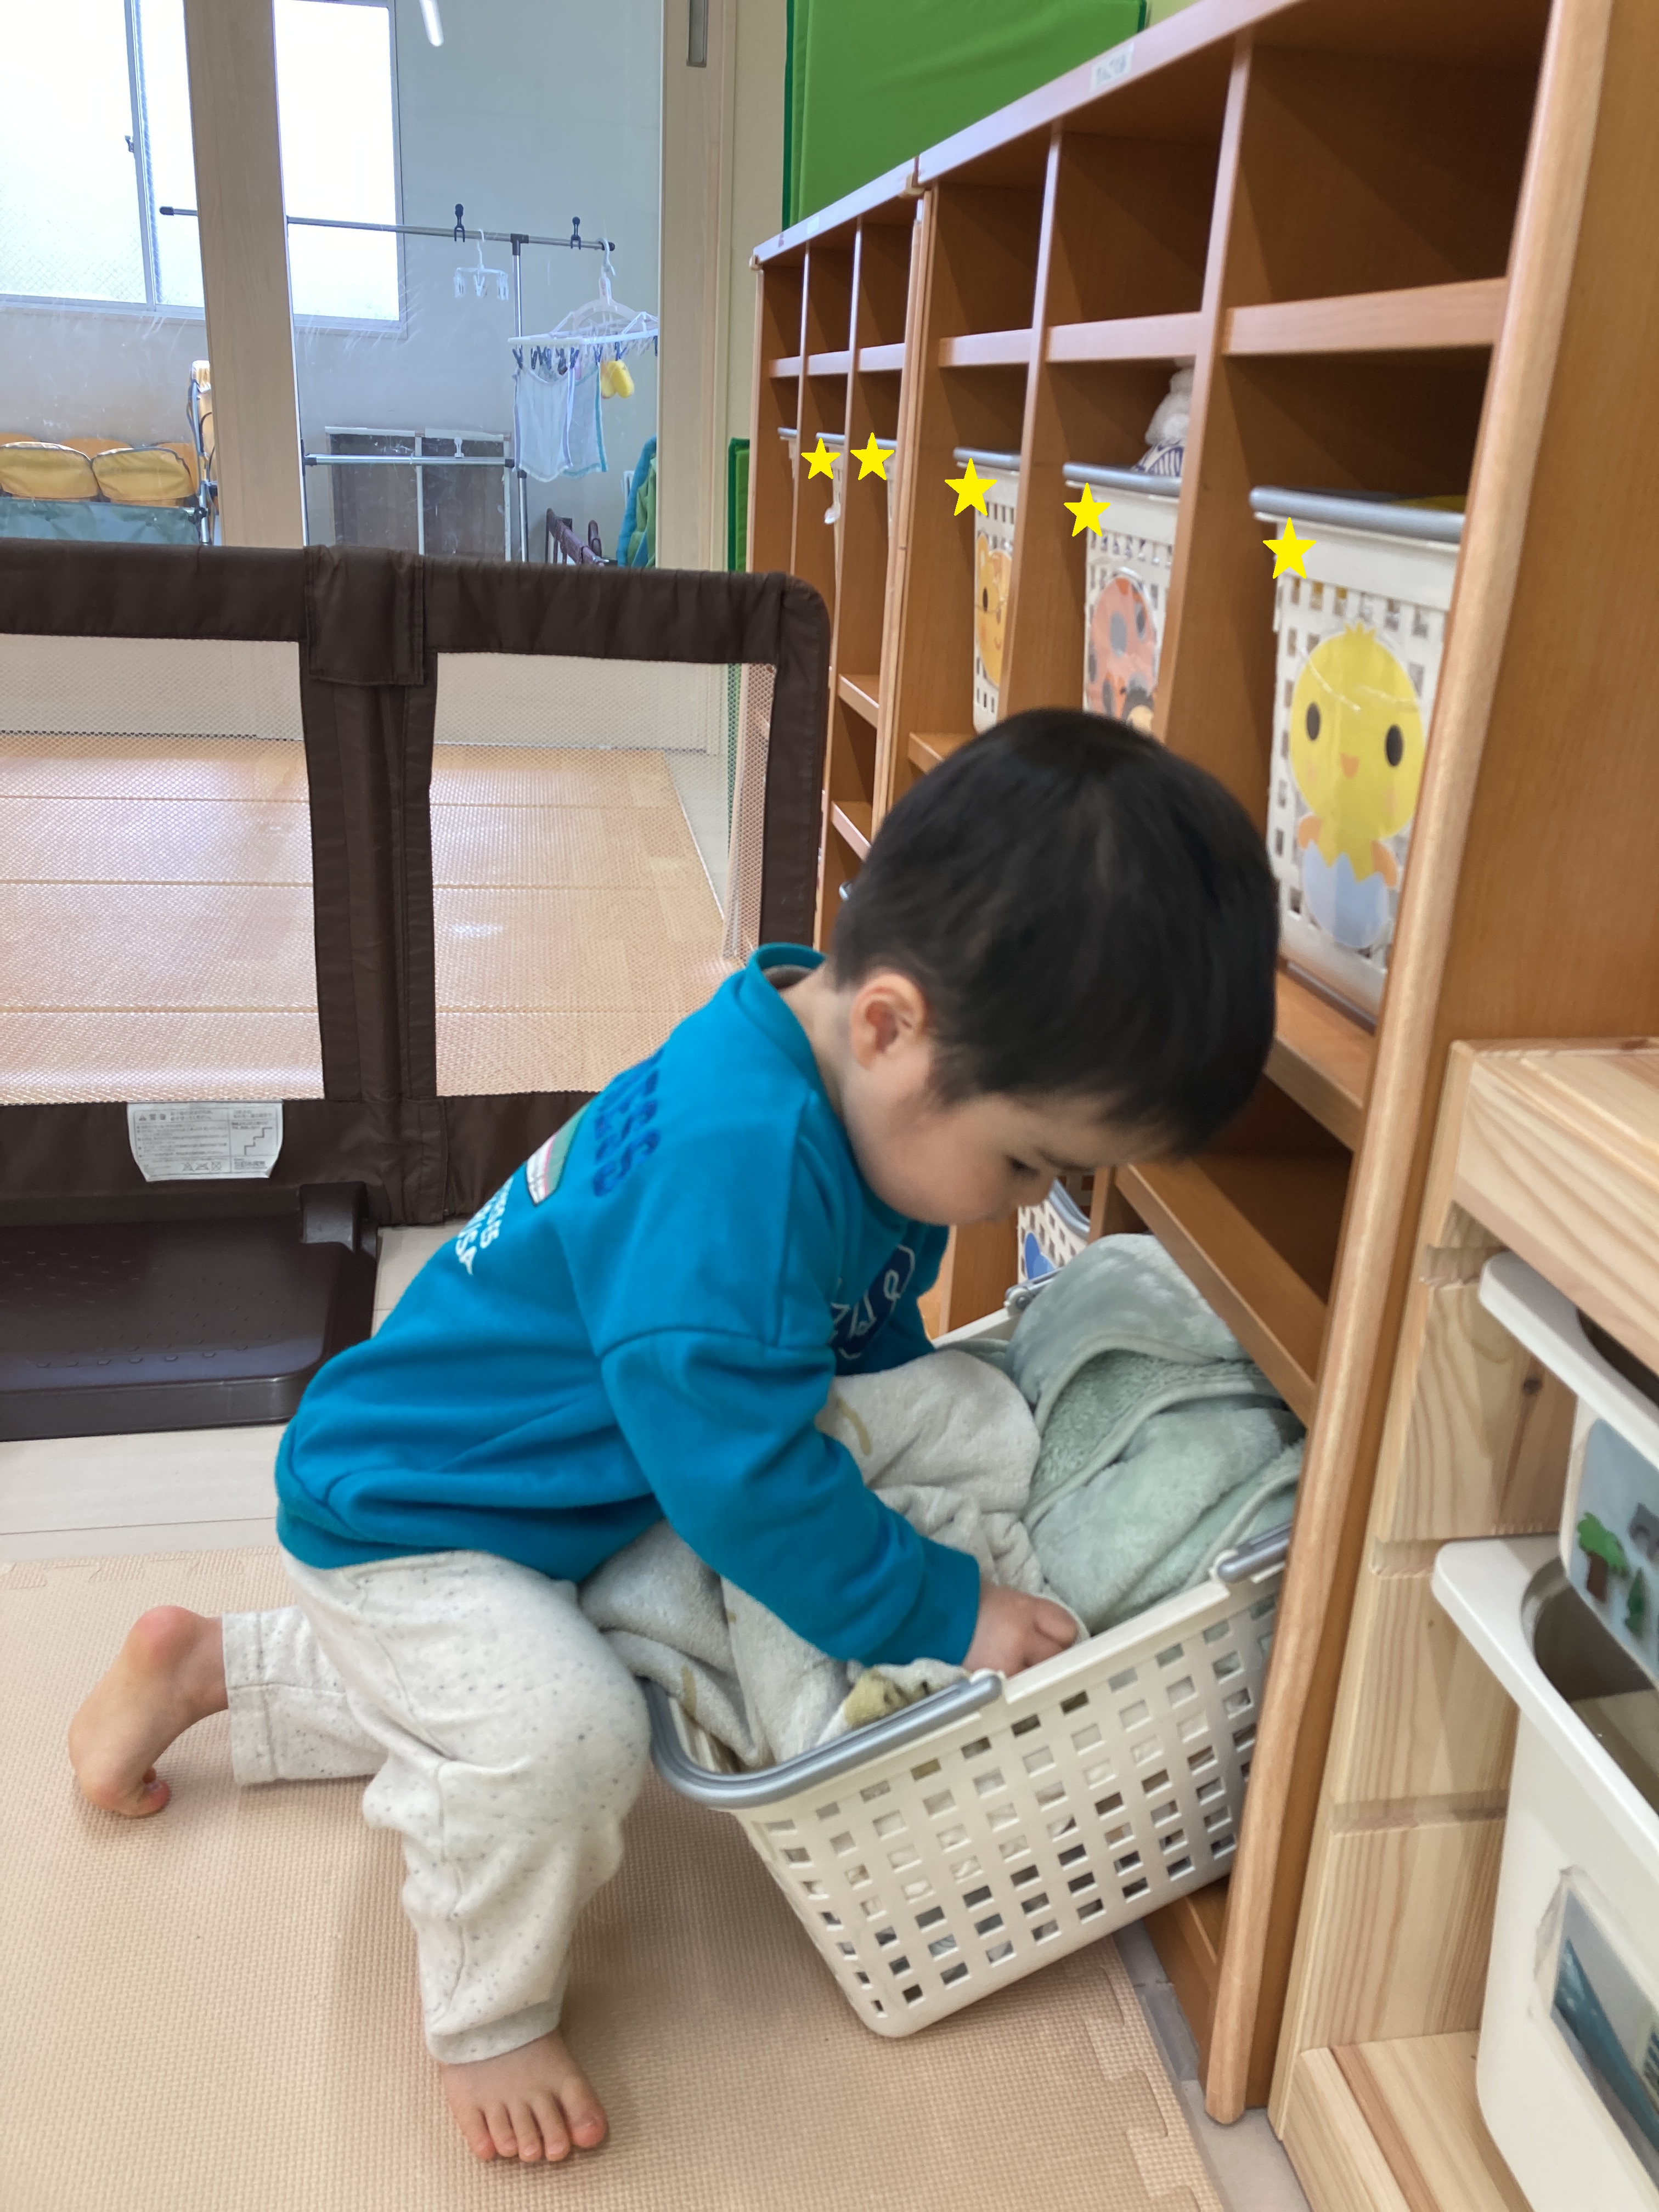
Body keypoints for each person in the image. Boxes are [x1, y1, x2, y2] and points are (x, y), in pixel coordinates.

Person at [67, 709, 1279, 2166]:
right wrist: (939, 1608)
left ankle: (211, 1667)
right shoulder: (736, 1173)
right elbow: (748, 1486)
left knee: (529, 1658)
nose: (1024, 1203)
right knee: (565, 1737)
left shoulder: (832, 1075)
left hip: (548, 1491)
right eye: (1029, 1164)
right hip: (409, 1515)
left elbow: (851, 1344)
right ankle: (485, 2013)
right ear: (891, 1026)